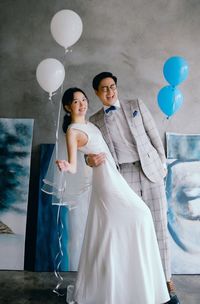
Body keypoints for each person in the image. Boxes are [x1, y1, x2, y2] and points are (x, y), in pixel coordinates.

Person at [56, 87, 170, 304]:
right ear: (67, 107)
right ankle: (121, 285)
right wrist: (66, 165)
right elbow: (73, 164)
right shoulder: (72, 130)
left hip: (114, 177)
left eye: (83, 99)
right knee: (141, 216)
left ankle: (122, 284)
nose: (81, 104)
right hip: (106, 182)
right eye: (76, 101)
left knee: (111, 230)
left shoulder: (90, 123)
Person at [85, 72, 180, 304]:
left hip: (150, 171)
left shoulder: (135, 105)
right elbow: (91, 150)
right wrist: (89, 161)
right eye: (104, 88)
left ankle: (167, 284)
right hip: (122, 176)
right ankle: (140, 286)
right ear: (97, 93)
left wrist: (162, 163)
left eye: (113, 86)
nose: (110, 91)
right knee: (134, 231)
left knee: (159, 227)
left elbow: (153, 135)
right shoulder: (95, 120)